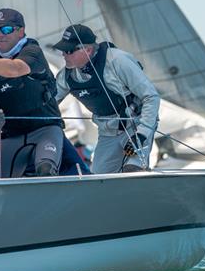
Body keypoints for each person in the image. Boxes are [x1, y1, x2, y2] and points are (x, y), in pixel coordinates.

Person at [0, 8, 89, 178]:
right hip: (12, 136)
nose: (0, 34)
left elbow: (16, 69)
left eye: (6, 29)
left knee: (45, 171)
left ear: (21, 31)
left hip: (45, 130)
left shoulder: (32, 51)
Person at [53, 24, 160, 173]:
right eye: (62, 50)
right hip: (107, 132)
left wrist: (142, 134)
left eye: (69, 51)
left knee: (132, 170)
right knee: (98, 180)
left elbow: (151, 96)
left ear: (88, 50)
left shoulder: (117, 61)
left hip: (136, 125)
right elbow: (48, 103)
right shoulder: (66, 76)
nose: (64, 55)